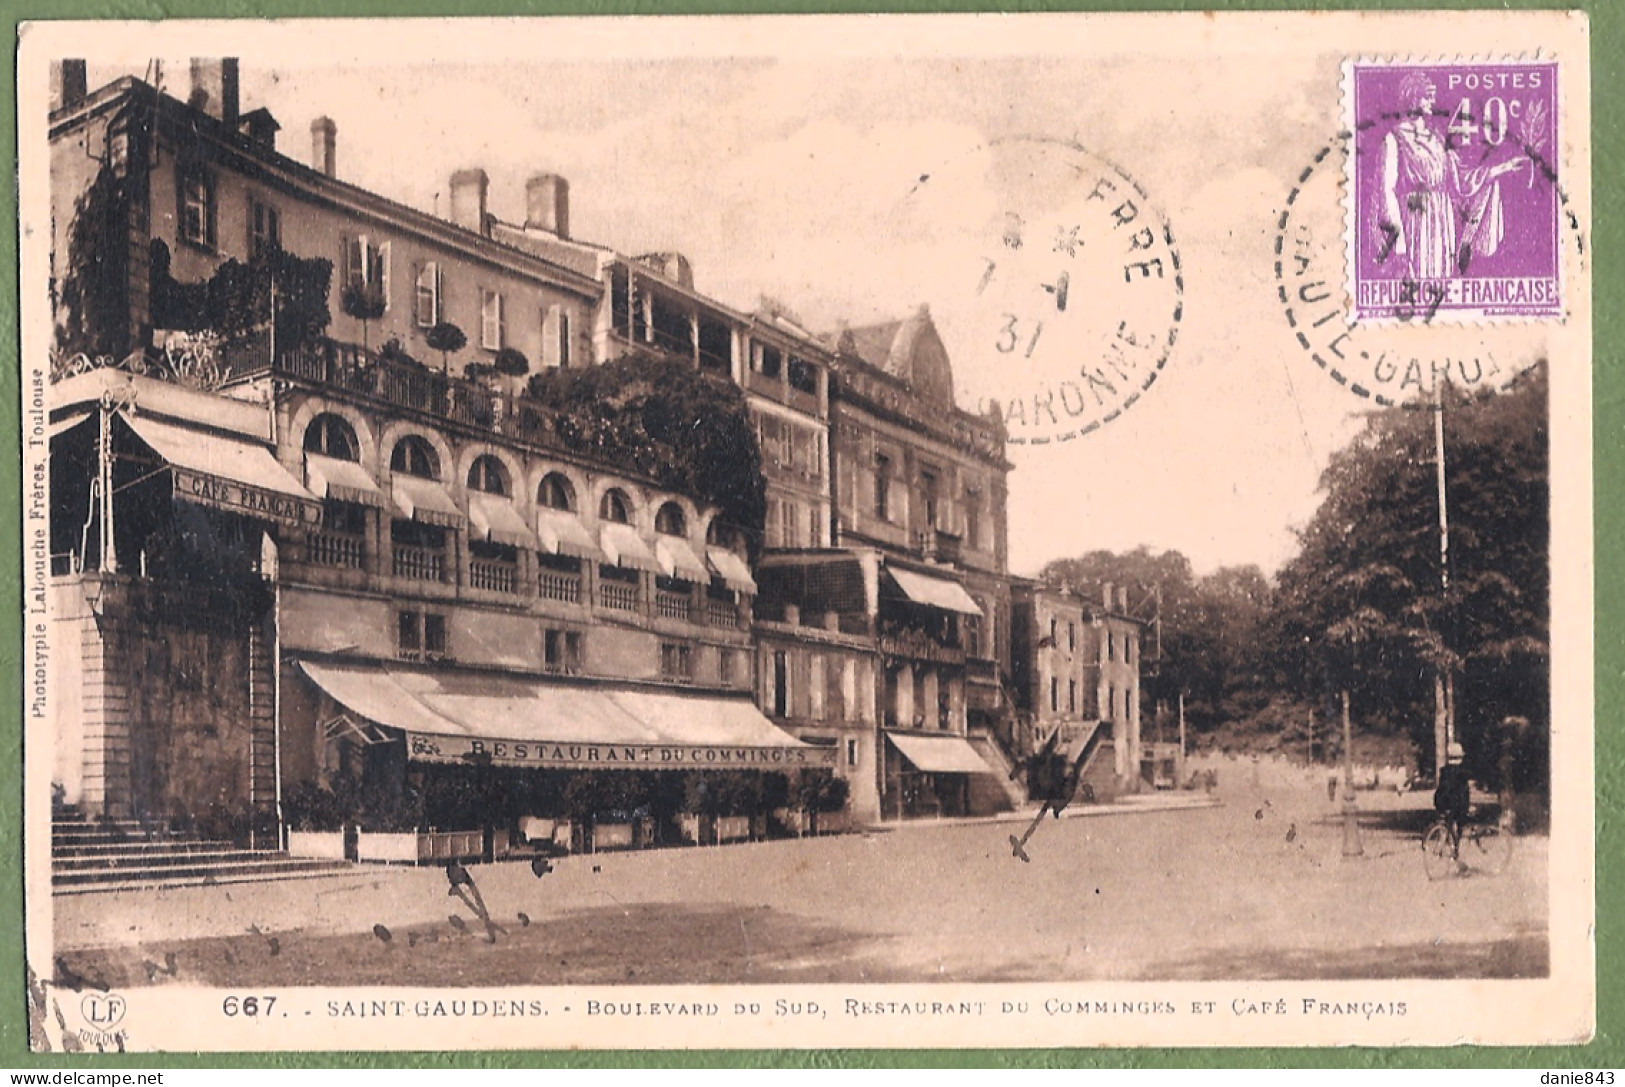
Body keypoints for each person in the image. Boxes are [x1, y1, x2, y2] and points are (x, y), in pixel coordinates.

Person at [1377, 72, 1526, 281]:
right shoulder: (1393, 140)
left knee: (1441, 281)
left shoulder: (1437, 139)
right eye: (1426, 96)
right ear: (1412, 97)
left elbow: (1460, 182)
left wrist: (1502, 168)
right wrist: (1399, 246)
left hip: (1442, 223)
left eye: (1432, 96)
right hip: (1416, 222)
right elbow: (1386, 193)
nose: (1431, 101)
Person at [1433, 741, 1472, 856]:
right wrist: (1468, 807)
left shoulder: (1444, 771)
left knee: (1448, 823)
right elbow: (1463, 794)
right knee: (1463, 827)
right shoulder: (1463, 773)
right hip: (1457, 805)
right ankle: (1458, 855)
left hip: (1442, 803)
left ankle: (1445, 844)